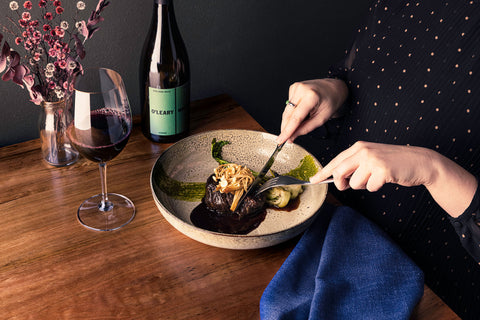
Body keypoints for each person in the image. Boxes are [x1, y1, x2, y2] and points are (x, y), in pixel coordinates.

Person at [276, 0, 480, 319]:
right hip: (337, 243)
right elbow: (367, 77)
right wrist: (335, 91)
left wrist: (433, 170)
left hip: (432, 296)